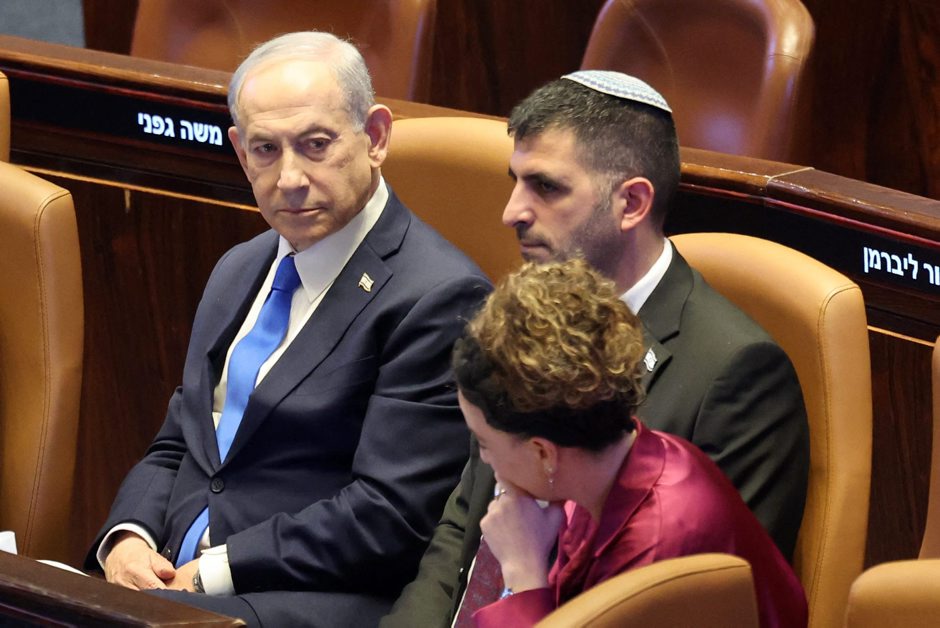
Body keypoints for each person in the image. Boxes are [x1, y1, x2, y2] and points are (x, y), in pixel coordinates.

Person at [83, 31, 490, 627]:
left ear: (375, 137)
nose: (290, 178)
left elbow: (389, 515)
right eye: (266, 150)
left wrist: (213, 572)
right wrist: (127, 536)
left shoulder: (438, 296)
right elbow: (182, 442)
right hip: (172, 583)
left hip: (304, 599)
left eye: (316, 145)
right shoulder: (238, 268)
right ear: (240, 153)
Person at [382, 71, 809, 626]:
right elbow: (465, 525)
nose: (512, 212)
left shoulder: (735, 376)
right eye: (515, 182)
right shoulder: (525, 316)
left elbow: (709, 606)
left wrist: (526, 583)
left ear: (631, 202)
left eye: (546, 187)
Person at [450, 259, 806, 627]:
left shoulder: (659, 550)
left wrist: (523, 574)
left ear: (543, 452)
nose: (485, 460)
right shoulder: (606, 470)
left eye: (485, 443)